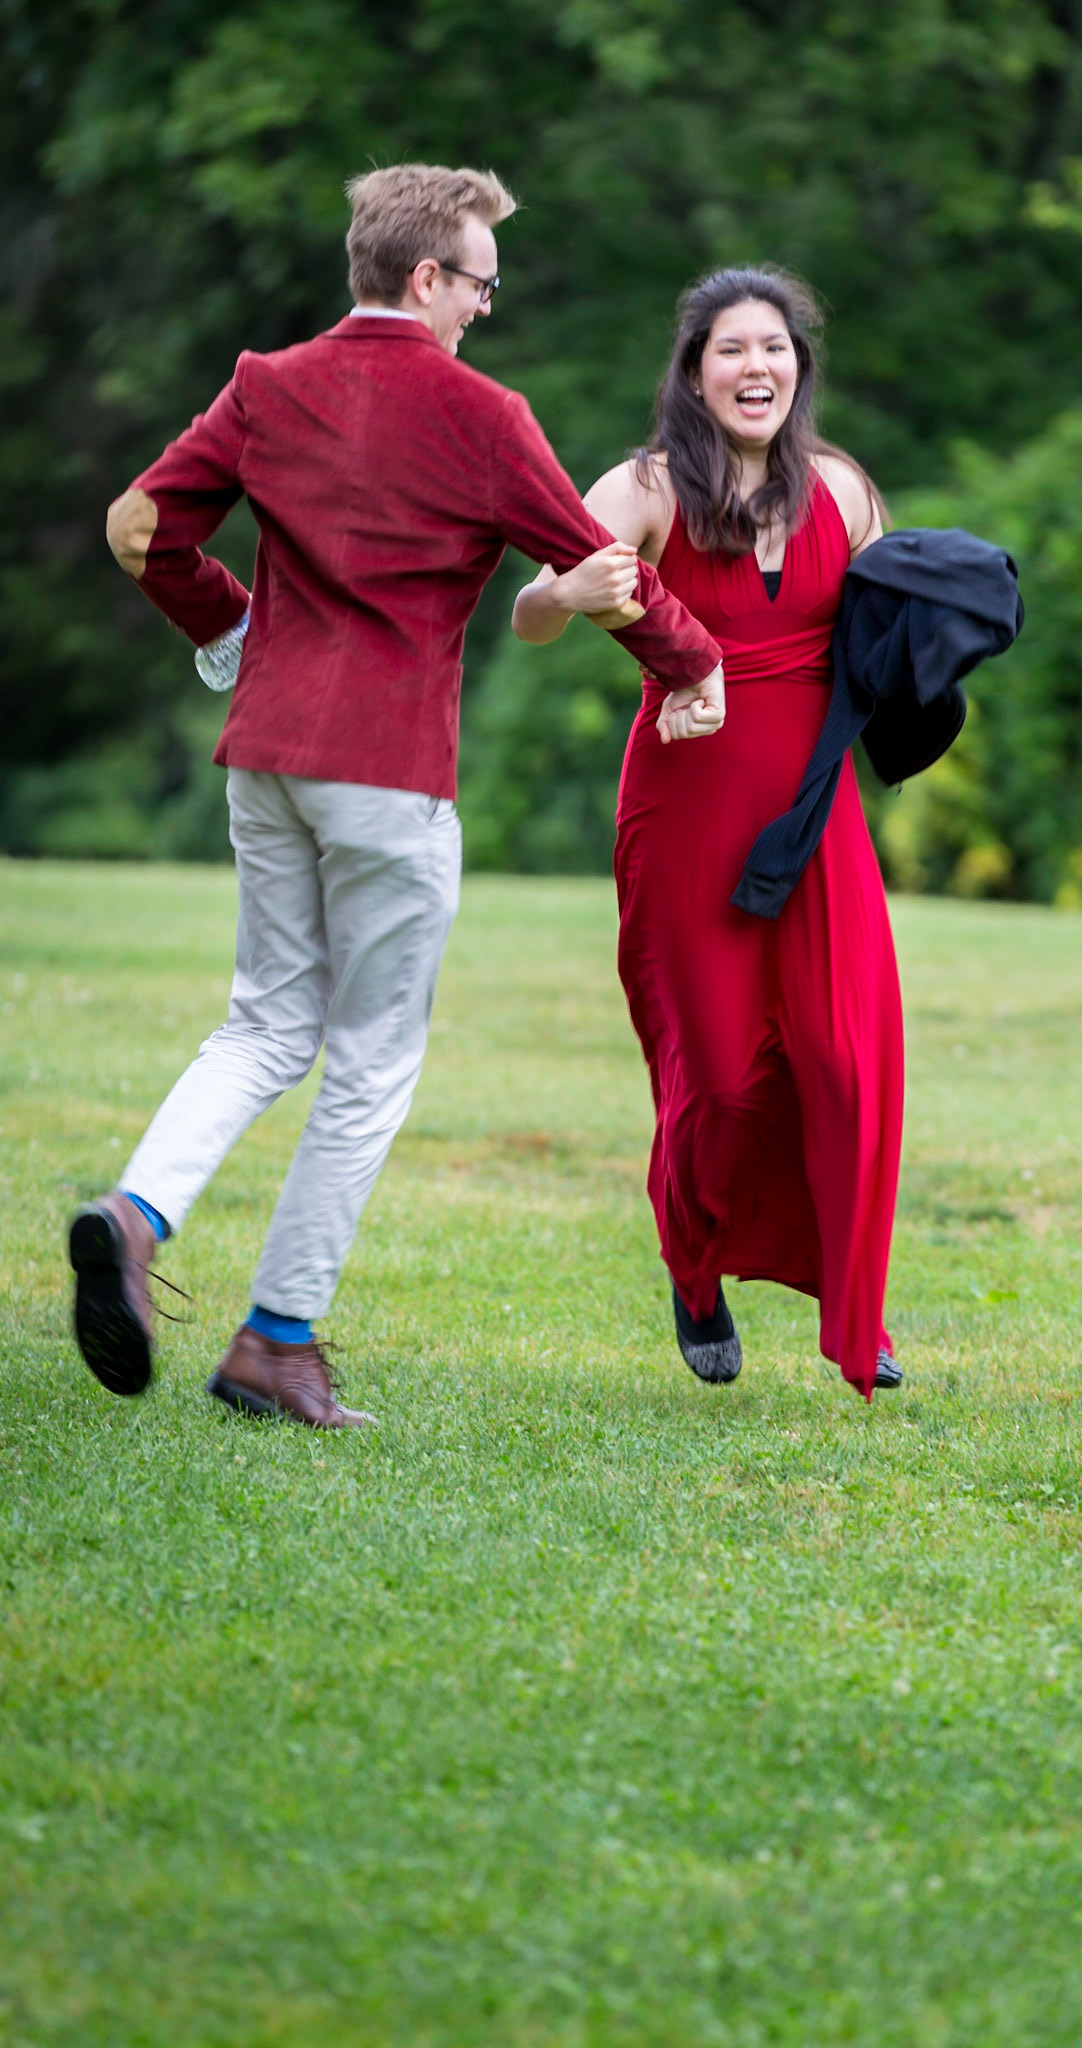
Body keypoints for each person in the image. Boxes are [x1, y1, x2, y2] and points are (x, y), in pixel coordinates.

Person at [73, 162, 724, 1430]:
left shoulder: (266, 382)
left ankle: (135, 1214)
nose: (485, 305)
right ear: (427, 276)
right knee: (370, 1059)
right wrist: (695, 663)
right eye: (480, 283)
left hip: (266, 759)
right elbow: (594, 562)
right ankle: (274, 1341)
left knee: (264, 1024)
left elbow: (138, 526)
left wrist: (231, 628)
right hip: (387, 772)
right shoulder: (484, 414)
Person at [512, 267, 903, 1402]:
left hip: (816, 816)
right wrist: (570, 590)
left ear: (799, 367)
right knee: (721, 1080)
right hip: (685, 812)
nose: (756, 367)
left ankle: (856, 1311)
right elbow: (534, 614)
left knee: (846, 1064)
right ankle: (695, 1271)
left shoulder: (843, 489)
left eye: (774, 347)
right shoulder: (644, 487)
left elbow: (887, 636)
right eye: (731, 349)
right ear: (694, 373)